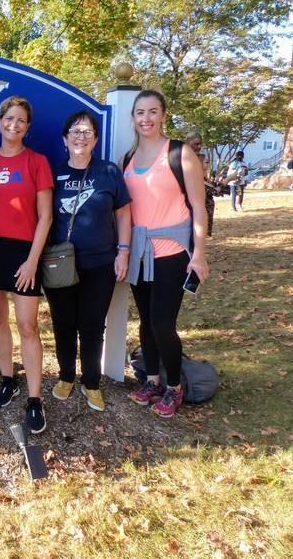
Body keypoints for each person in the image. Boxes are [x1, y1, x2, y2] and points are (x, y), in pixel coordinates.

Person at [122, 90, 209, 418]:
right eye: (140, 112)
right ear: (133, 117)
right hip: (140, 254)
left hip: (172, 253)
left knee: (162, 322)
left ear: (163, 115)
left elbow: (199, 206)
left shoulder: (180, 153)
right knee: (145, 321)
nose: (146, 118)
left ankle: (174, 386)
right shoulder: (127, 159)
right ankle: (153, 380)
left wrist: (199, 253)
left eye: (152, 111)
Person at [0, 96, 53, 433]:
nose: (14, 125)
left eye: (21, 120)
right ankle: (8, 379)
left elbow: (45, 216)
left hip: (25, 251)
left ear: (27, 126)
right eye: (9, 119)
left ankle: (35, 399)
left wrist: (33, 260)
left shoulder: (37, 161)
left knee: (27, 325)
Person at [45, 110, 131, 413]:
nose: (81, 137)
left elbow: (123, 213)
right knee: (63, 324)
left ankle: (91, 382)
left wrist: (123, 251)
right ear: (65, 138)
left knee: (93, 326)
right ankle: (66, 376)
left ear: (95, 139)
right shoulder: (52, 173)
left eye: (87, 132)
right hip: (60, 263)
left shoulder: (108, 172)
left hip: (100, 263)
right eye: (75, 131)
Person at [184, 133, 215, 237]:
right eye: (196, 144)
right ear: (187, 143)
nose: (199, 147)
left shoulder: (200, 159)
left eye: (200, 144)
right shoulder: (182, 160)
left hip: (201, 214)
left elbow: (213, 189)